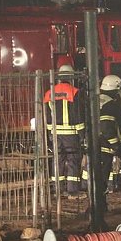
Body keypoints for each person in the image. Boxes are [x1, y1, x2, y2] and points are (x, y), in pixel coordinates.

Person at [43, 64, 86, 199]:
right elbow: (78, 114)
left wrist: (49, 133)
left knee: (58, 160)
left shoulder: (49, 93)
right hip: (71, 133)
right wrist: (82, 134)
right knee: (73, 160)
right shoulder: (74, 92)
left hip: (55, 133)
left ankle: (57, 190)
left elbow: (47, 116)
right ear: (72, 77)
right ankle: (72, 191)